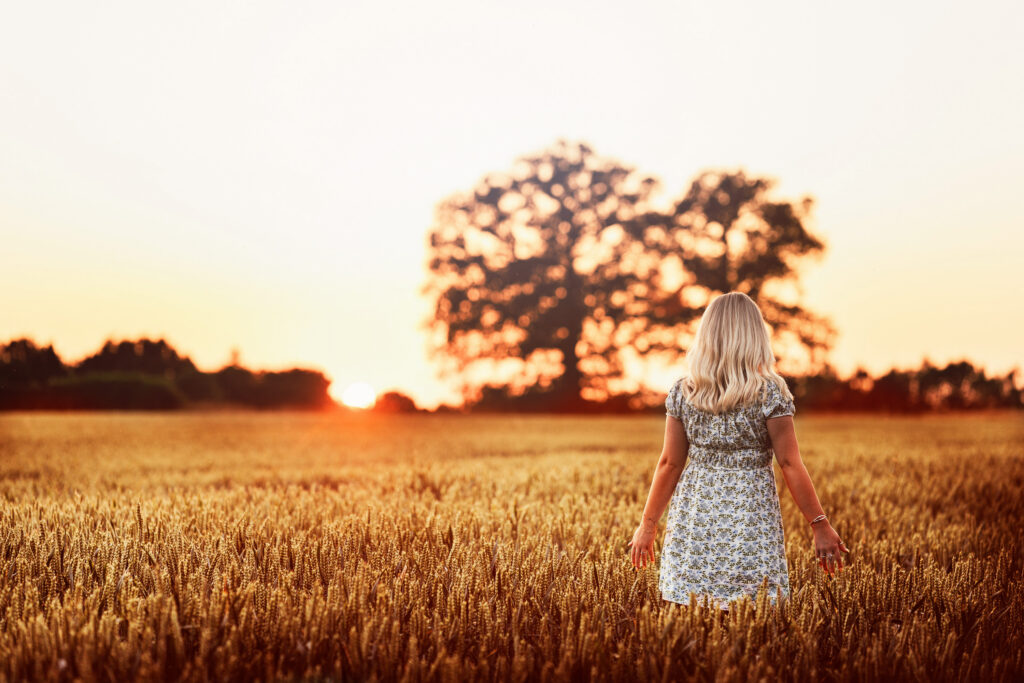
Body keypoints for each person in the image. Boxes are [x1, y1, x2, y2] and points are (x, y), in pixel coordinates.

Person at [627, 291, 848, 612]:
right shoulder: (770, 392)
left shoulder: (684, 390)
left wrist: (647, 526)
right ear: (755, 335)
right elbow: (789, 463)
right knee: (753, 613)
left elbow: (669, 464)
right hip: (750, 520)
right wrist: (820, 525)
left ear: (707, 335)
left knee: (689, 612)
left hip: (695, 518)